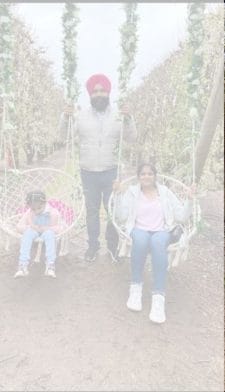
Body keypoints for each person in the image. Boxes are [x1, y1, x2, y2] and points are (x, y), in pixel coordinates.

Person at [61, 74, 137, 263]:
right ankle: (93, 246)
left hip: (111, 170)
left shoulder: (118, 115)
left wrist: (129, 118)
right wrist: (65, 117)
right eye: (95, 91)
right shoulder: (80, 116)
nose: (99, 94)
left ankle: (113, 246)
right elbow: (65, 137)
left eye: (102, 90)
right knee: (92, 210)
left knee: (113, 210)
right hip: (88, 171)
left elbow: (131, 138)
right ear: (90, 94)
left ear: (108, 92)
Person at [113, 163, 193, 324]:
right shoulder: (131, 192)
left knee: (157, 242)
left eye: (150, 173)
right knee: (141, 240)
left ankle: (158, 297)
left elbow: (182, 217)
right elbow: (121, 216)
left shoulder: (164, 192)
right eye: (143, 174)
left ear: (155, 176)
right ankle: (136, 288)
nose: (146, 176)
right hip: (138, 229)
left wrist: (190, 200)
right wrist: (118, 194)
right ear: (138, 177)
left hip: (162, 231)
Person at [14, 191, 66, 278]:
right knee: (27, 234)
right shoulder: (29, 212)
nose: (36, 211)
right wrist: (30, 226)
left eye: (39, 208)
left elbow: (60, 228)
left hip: (47, 231)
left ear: (45, 203)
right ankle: (23, 265)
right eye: (33, 209)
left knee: (50, 235)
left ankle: (50, 265)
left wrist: (48, 228)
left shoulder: (52, 213)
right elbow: (18, 227)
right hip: (34, 230)